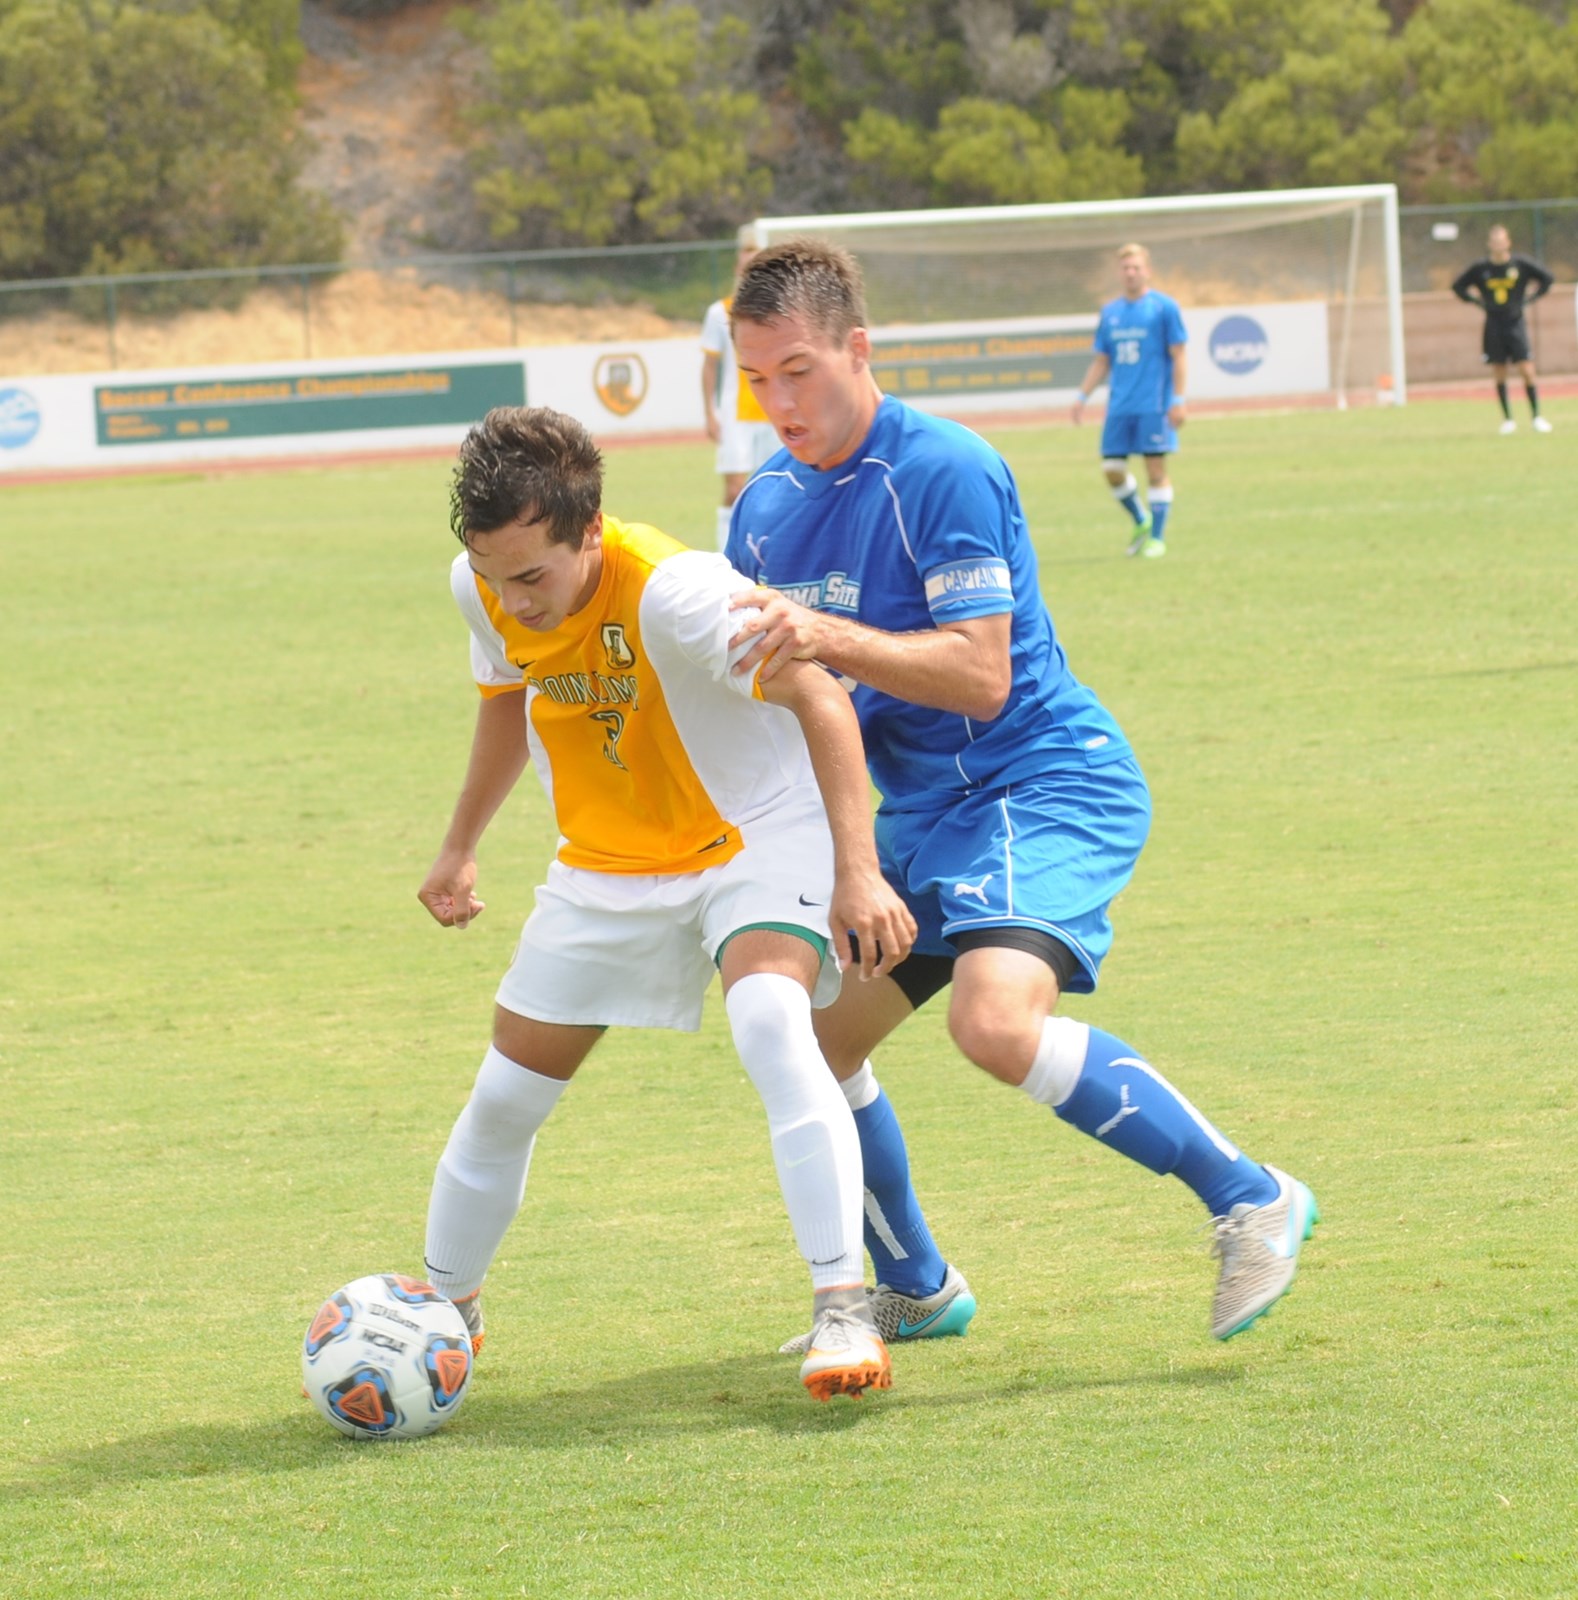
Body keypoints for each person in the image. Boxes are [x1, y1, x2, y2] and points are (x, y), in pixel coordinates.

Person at [722, 239, 1318, 1355]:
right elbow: (782, 697)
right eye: (757, 379)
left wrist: (825, 634)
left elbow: (981, 675)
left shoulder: (944, 468)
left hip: (1042, 778)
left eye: (798, 370)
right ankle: (917, 1283)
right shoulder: (760, 510)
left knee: (992, 1022)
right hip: (921, 817)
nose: (779, 402)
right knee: (803, 1038)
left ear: (860, 348)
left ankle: (1251, 1196)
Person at [416, 404, 917, 1402]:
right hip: (608, 861)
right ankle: (438, 1316)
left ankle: (842, 1306)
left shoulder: (679, 592)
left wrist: (858, 870)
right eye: (493, 574)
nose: (513, 601)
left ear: (589, 532)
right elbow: (506, 700)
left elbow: (819, 694)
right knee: (508, 1091)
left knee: (775, 1023)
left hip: (752, 833)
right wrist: (460, 844)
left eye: (533, 577)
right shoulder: (486, 587)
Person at [1071, 243, 1187, 559]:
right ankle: (1141, 519)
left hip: (1154, 405)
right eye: (1125, 268)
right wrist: (1082, 395)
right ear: (1119, 273)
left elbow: (1179, 356)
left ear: (1147, 271)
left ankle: (1158, 539)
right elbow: (1102, 360)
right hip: (1120, 406)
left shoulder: (1164, 308)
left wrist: (1178, 399)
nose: (1131, 273)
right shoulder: (1111, 313)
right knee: (1111, 468)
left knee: (1155, 468)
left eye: (1136, 267)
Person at [701, 226, 780, 550]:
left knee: (776, 488)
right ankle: (726, 555)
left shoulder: (780, 311)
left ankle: (772, 550)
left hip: (774, 411)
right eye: (746, 266)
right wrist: (709, 412)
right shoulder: (720, 312)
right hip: (736, 414)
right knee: (735, 488)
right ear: (738, 270)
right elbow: (709, 365)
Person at [1452, 225, 1555, 434]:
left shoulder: (1520, 264)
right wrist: (1476, 301)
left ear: (1508, 242)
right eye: (1494, 242)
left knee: (1527, 370)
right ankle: (1508, 420)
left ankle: (1536, 417)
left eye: (1502, 241)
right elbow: (1458, 286)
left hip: (1516, 323)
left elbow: (1547, 278)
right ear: (1489, 244)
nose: (1498, 245)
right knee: (1499, 372)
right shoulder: (1481, 268)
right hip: (1493, 325)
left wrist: (1531, 298)